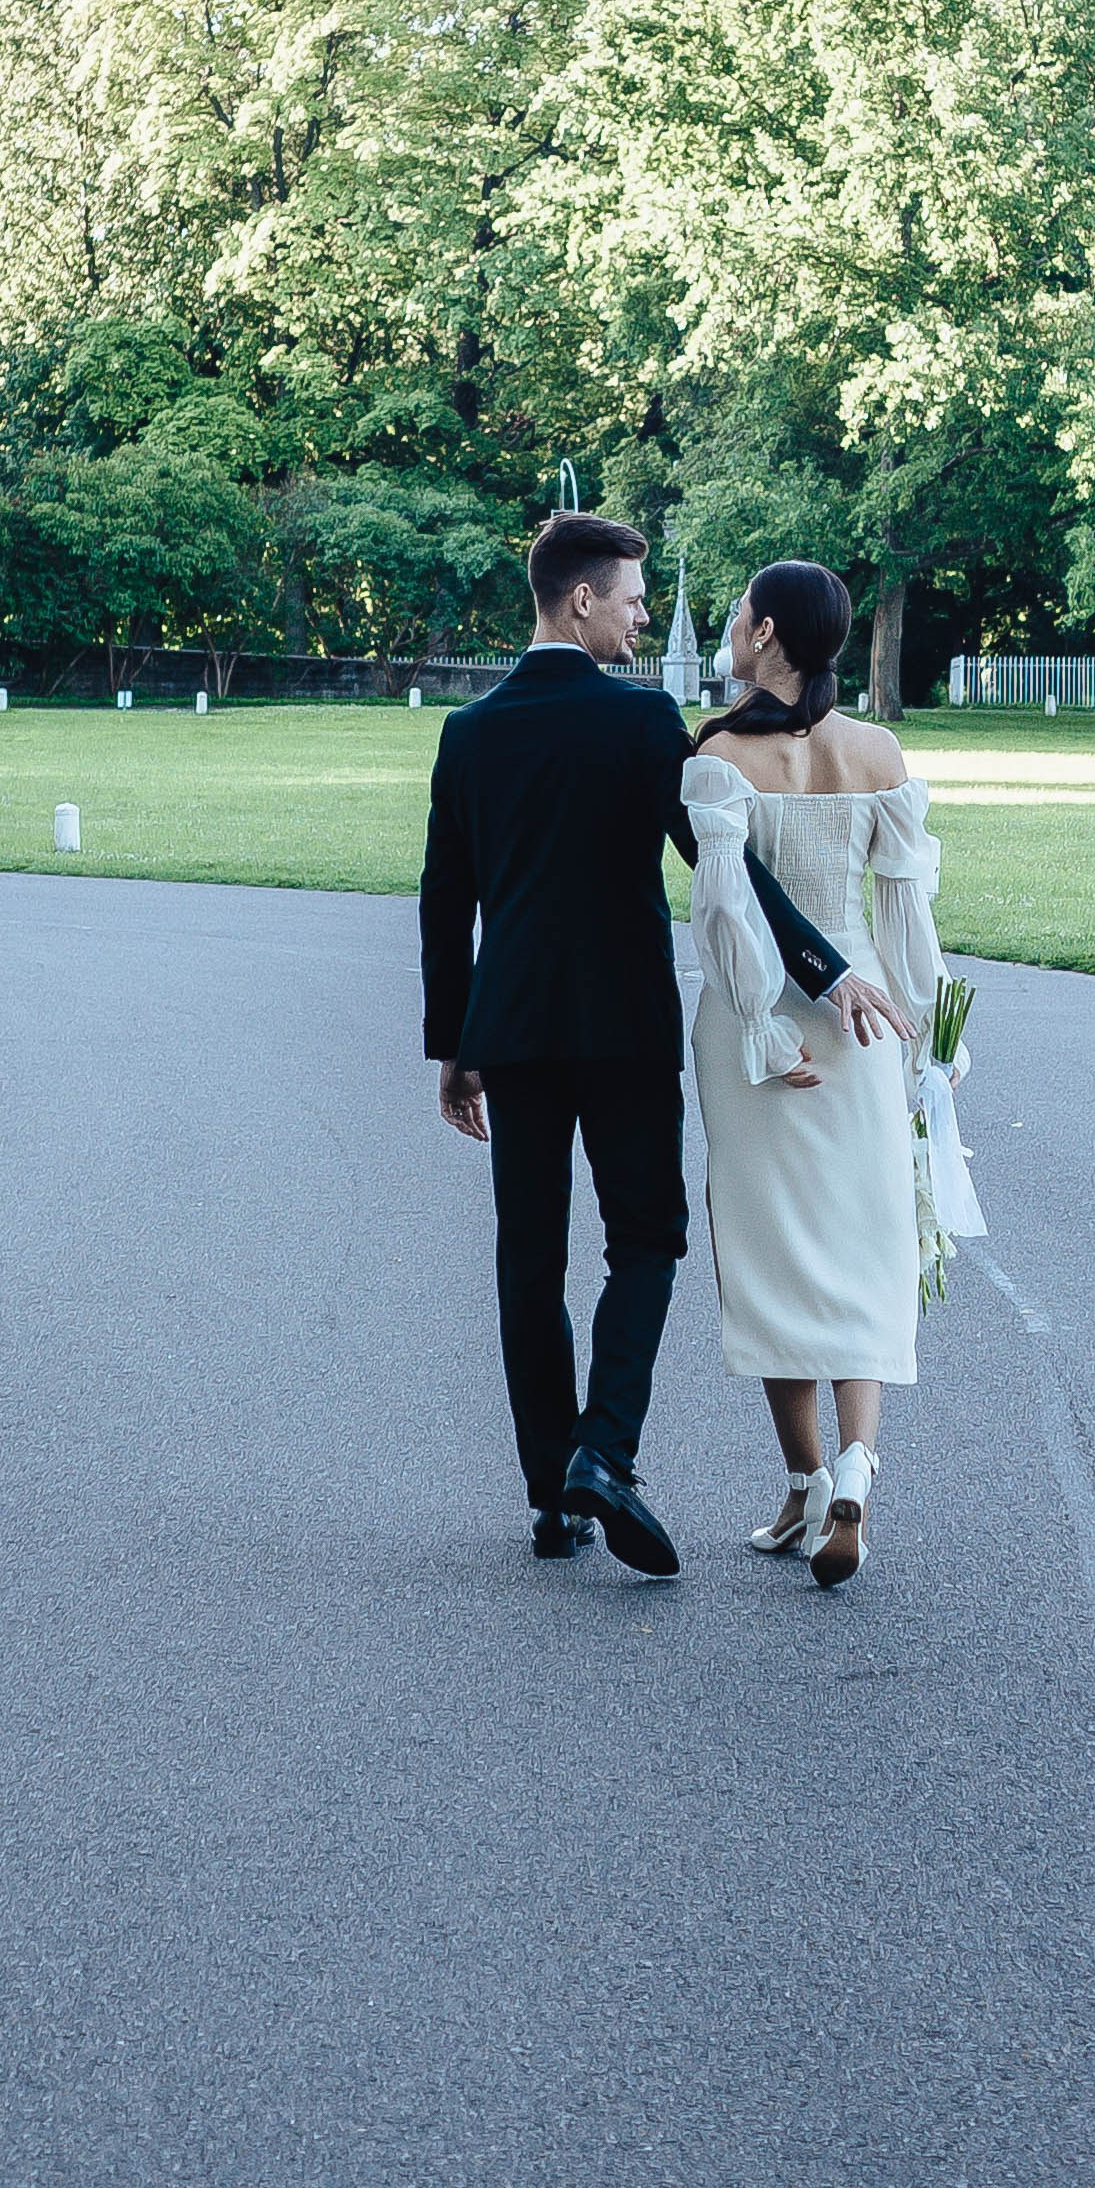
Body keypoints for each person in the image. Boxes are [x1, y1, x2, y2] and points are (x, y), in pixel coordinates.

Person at [420, 514, 912, 1578]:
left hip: (510, 1031)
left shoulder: (468, 734)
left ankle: (556, 1498)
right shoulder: (645, 724)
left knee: (527, 1257)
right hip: (628, 1028)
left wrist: (451, 1048)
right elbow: (725, 876)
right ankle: (607, 1452)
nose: (644, 617)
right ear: (581, 599)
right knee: (646, 1242)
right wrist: (828, 968)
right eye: (634, 599)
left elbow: (443, 901)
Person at [680, 560, 955, 1587]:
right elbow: (906, 920)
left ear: (763, 634)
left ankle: (802, 1480)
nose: (733, 629)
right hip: (868, 1018)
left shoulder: (718, 754)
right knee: (866, 1236)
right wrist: (933, 1036)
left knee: (772, 1249)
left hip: (766, 1032)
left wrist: (762, 1028)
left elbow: (724, 916)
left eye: (740, 617)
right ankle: (849, 1475)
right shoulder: (878, 751)